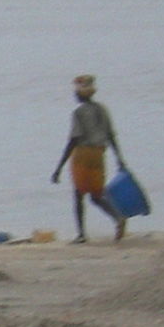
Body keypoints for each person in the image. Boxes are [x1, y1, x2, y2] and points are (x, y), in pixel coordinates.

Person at [49, 74, 127, 242]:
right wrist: (119, 158)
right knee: (96, 195)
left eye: (76, 92)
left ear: (81, 94)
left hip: (83, 155)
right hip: (99, 154)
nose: (74, 95)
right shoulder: (102, 109)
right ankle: (118, 217)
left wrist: (59, 168)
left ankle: (81, 234)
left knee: (79, 195)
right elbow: (111, 136)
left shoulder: (79, 113)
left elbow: (73, 140)